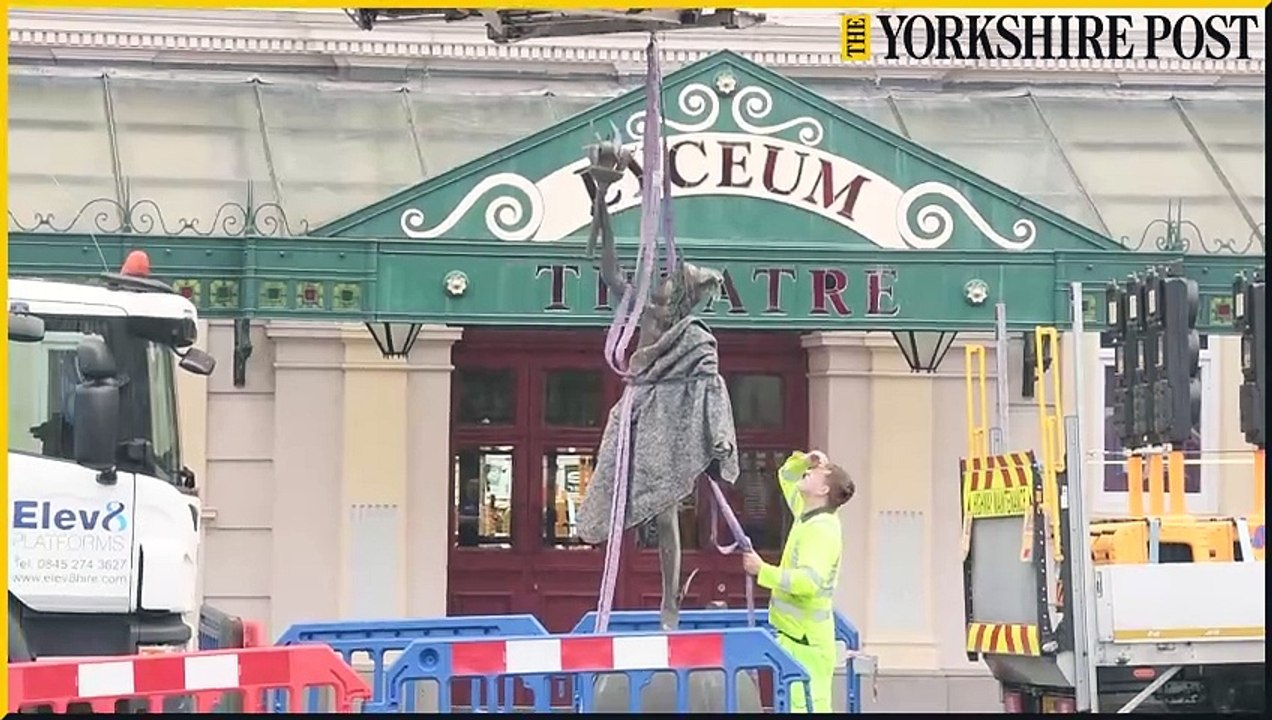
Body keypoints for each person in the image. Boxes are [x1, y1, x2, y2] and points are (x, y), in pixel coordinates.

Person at [742, 449, 855, 713]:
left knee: (806, 707)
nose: (810, 472)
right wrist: (806, 460)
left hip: (806, 642)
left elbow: (808, 583)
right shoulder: (807, 512)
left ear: (823, 489)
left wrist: (762, 570)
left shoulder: (822, 529)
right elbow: (787, 475)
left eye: (817, 472)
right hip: (797, 637)